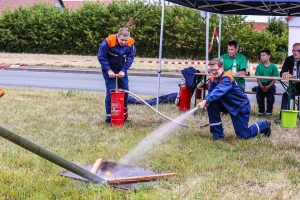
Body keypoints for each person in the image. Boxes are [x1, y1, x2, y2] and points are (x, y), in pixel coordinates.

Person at [197, 58, 271, 140]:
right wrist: (207, 100)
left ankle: (265, 124)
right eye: (211, 70)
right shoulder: (213, 79)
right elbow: (211, 92)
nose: (213, 72)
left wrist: (205, 100)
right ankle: (217, 135)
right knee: (211, 104)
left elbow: (219, 90)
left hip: (240, 106)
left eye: (215, 69)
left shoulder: (227, 77)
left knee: (243, 136)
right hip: (227, 104)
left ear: (221, 67)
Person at [97, 28, 136, 124]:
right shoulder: (108, 41)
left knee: (125, 90)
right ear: (117, 36)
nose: (124, 42)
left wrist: (124, 70)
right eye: (122, 40)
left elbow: (131, 57)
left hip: (121, 68)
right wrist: (108, 70)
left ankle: (123, 115)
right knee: (111, 91)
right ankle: (109, 117)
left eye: (126, 40)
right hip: (109, 68)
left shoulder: (130, 42)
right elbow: (101, 56)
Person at [274, 43, 300, 124]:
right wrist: (285, 74)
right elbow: (282, 72)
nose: (295, 52)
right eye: (294, 50)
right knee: (286, 95)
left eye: (298, 51)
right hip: (293, 87)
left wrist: (293, 76)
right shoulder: (289, 59)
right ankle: (282, 118)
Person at [255, 49, 279, 117]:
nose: (262, 57)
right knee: (259, 94)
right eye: (261, 55)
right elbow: (258, 79)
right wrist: (262, 86)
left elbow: (274, 79)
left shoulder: (273, 66)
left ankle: (269, 112)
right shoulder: (259, 66)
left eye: (264, 55)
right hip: (261, 84)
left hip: (270, 84)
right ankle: (261, 111)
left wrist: (268, 87)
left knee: (271, 94)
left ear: (269, 56)